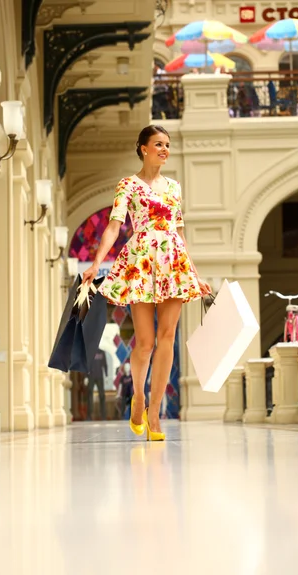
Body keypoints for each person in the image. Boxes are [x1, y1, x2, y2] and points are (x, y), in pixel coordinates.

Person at [82, 125, 211, 441]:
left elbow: (179, 233)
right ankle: (138, 396)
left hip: (172, 260)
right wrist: (96, 263)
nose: (165, 149)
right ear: (143, 148)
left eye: (167, 145)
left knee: (168, 336)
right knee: (145, 342)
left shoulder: (174, 187)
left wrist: (194, 273)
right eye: (158, 144)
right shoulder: (127, 184)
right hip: (141, 261)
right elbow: (114, 227)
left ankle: (155, 412)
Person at [87, 348, 108, 420]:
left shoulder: (102, 352)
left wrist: (106, 375)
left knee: (102, 395)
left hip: (99, 376)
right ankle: (89, 415)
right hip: (91, 376)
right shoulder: (89, 352)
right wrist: (86, 376)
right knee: (89, 395)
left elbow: (105, 364)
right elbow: (86, 364)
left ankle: (103, 415)